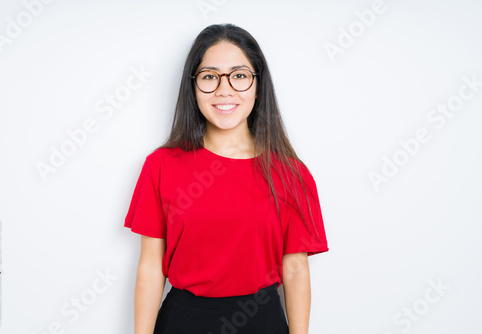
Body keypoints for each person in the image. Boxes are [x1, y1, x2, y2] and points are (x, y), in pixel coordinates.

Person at [124, 23, 329, 334]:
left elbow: (296, 269)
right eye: (209, 76)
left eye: (239, 75)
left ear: (258, 85)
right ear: (192, 86)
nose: (224, 89)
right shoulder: (161, 166)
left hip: (263, 321)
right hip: (183, 322)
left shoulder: (291, 174)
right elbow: (151, 267)